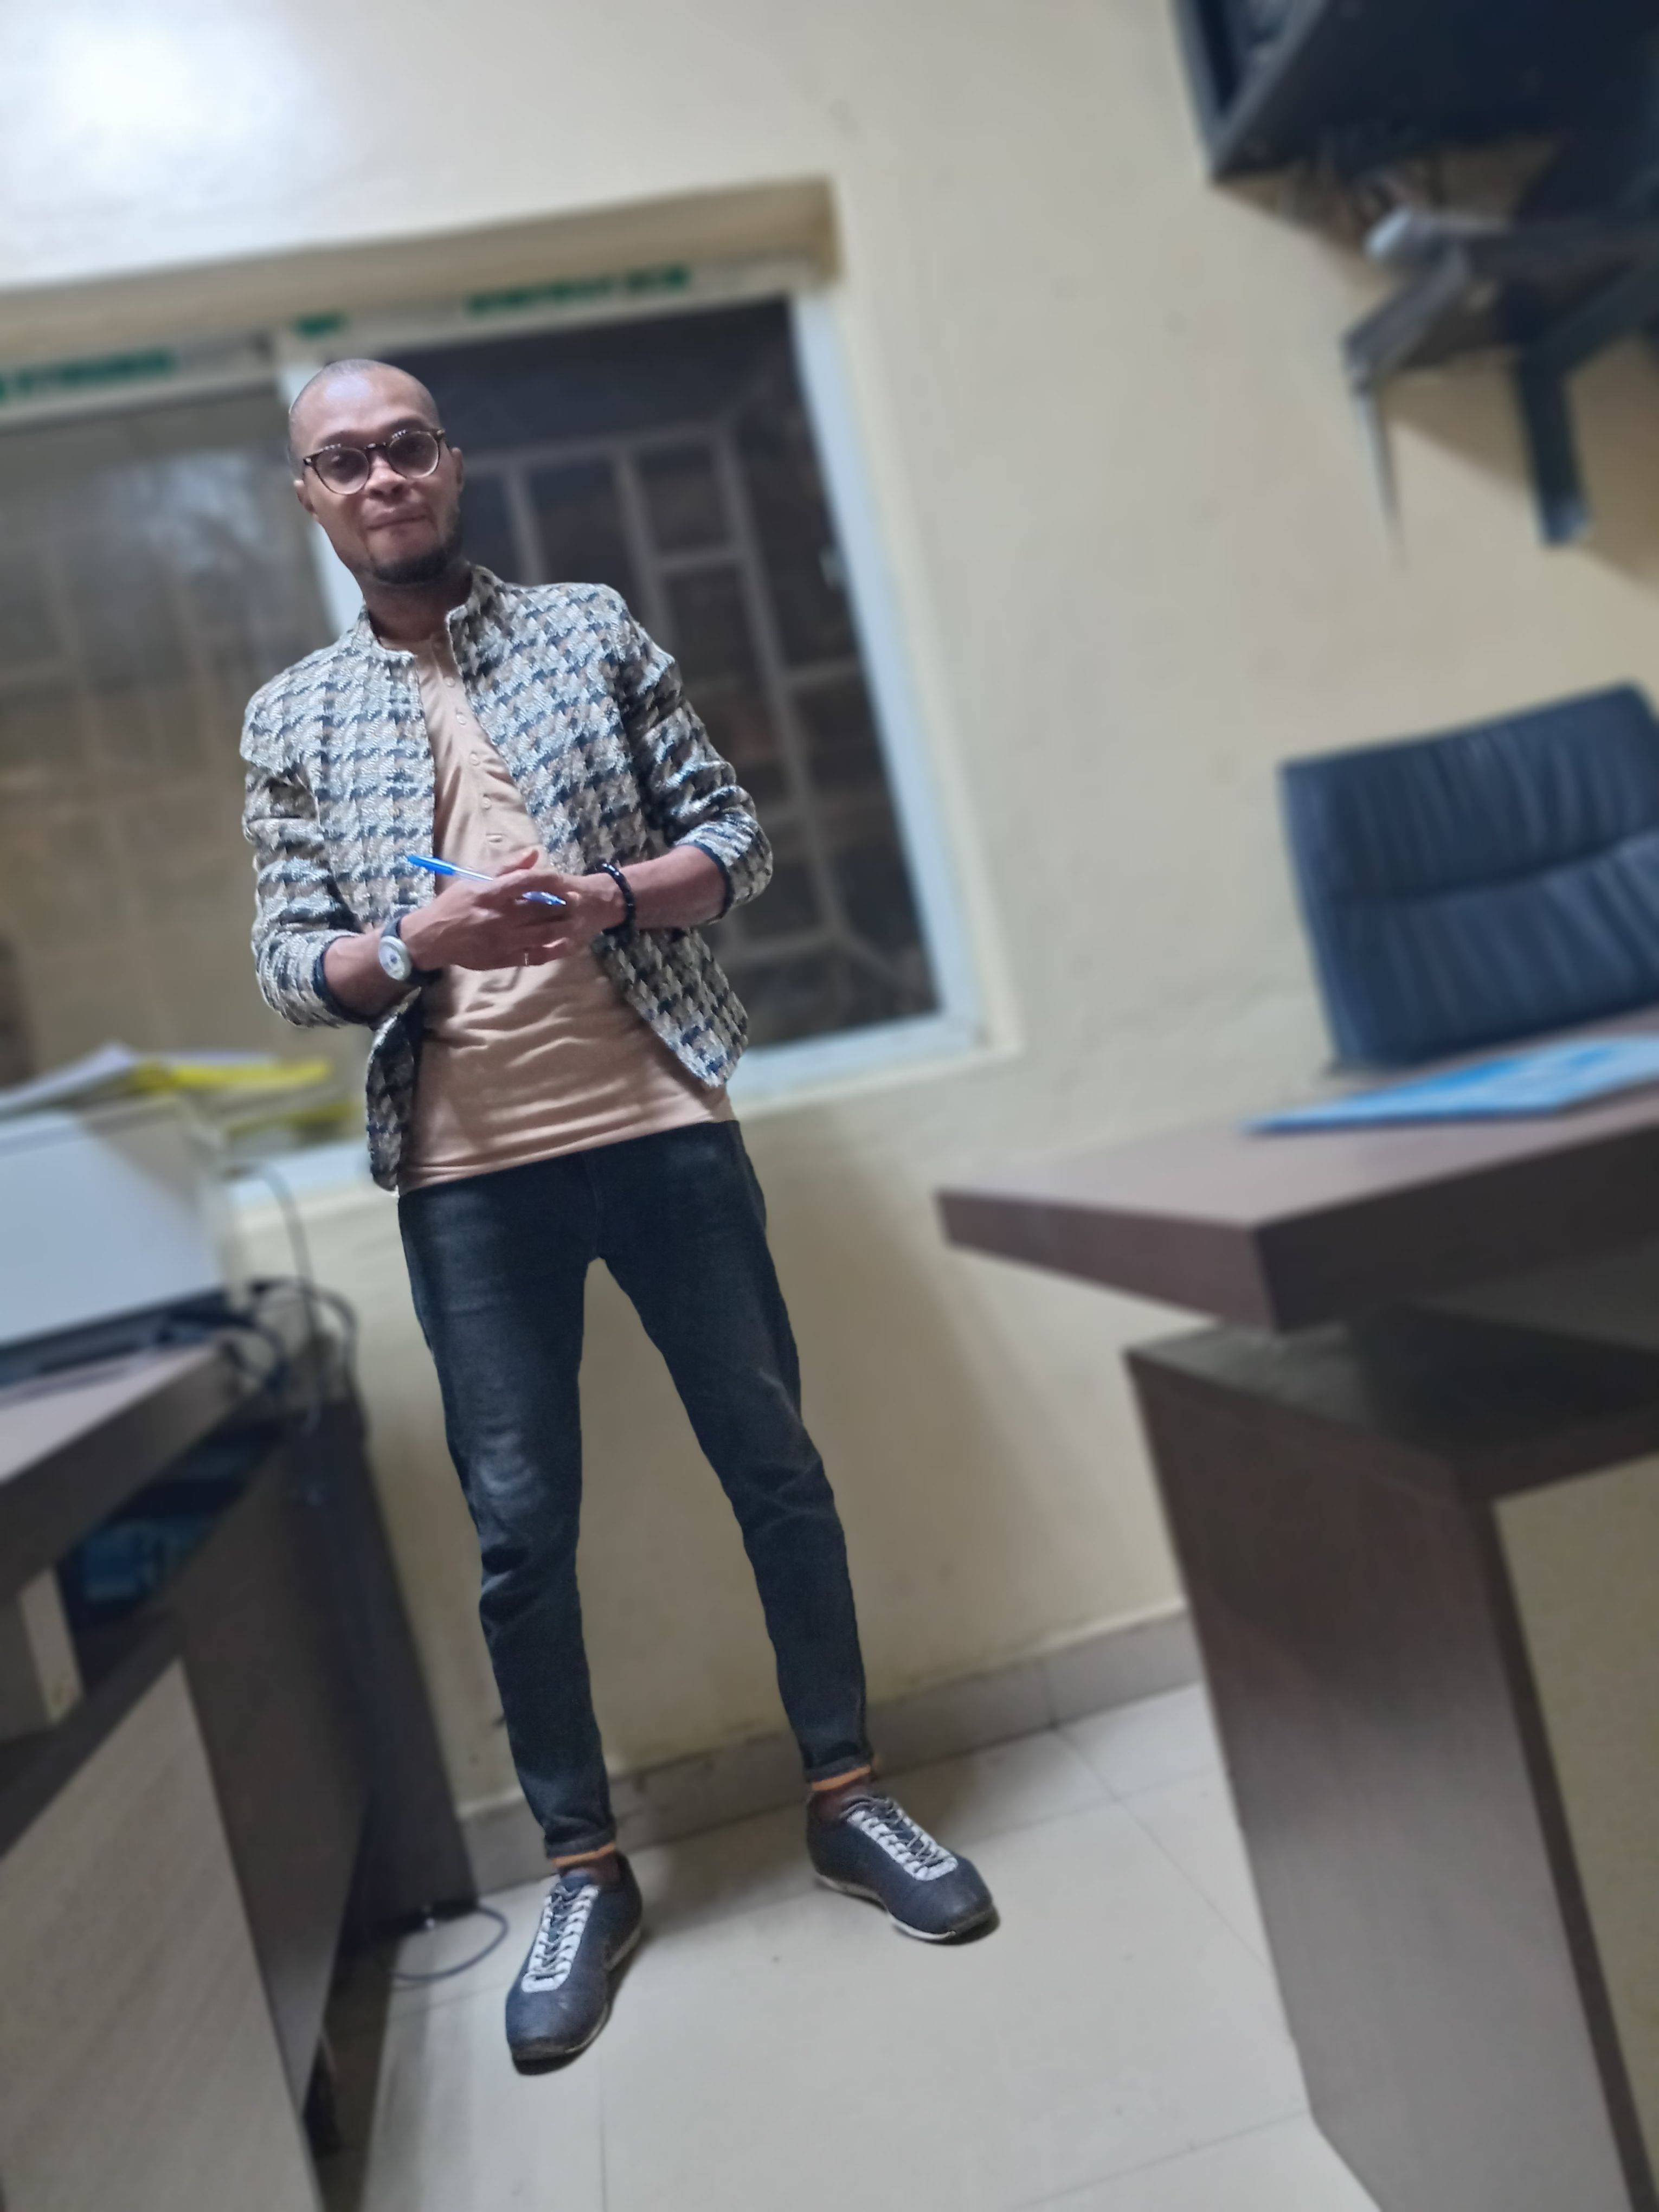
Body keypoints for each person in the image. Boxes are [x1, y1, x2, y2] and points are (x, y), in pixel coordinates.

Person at [241, 358, 995, 2070]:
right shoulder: (291, 717)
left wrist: (603, 897)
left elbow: (736, 843)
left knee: (772, 1463)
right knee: (520, 1532)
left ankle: (847, 1794)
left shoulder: (587, 629)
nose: (382, 478)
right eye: (345, 461)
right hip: (464, 1169)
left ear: (452, 464)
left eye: (406, 446)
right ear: (312, 498)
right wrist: (415, 944)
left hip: (659, 1120)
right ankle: (583, 1867)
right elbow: (290, 964)